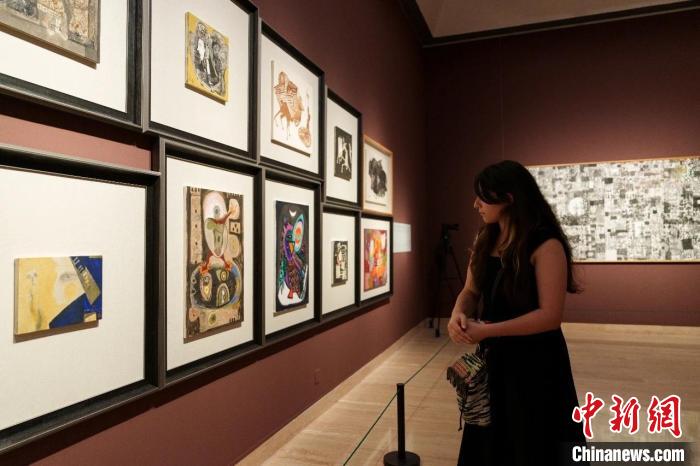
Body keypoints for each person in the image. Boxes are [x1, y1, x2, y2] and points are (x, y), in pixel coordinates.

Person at [448, 160, 587, 465]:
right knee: (491, 441)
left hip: (535, 364)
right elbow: (471, 291)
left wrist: (487, 330)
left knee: (533, 441)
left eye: (482, 197)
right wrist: (458, 312)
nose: (475, 204)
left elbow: (550, 316)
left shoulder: (545, 244)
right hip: (494, 361)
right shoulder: (485, 239)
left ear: (508, 198)